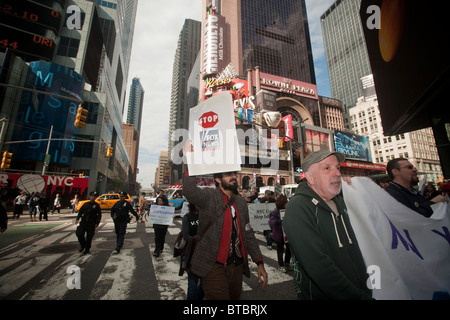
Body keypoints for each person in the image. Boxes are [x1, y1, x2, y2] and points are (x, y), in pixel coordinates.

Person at [181, 140, 268, 300]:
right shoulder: (209, 197)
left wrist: (259, 262)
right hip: (214, 266)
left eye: (234, 173)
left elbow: (248, 234)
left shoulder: (241, 202)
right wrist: (189, 159)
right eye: (229, 174)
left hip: (237, 266)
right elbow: (190, 191)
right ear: (218, 180)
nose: (234, 177)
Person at [284, 150, 372, 300]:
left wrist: (357, 194)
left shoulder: (341, 202)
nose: (337, 173)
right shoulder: (298, 207)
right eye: (327, 168)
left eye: (337, 167)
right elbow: (320, 269)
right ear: (310, 177)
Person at [182, 203, 204, 300]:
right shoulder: (187, 217)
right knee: (192, 280)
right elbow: (186, 235)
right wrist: (197, 241)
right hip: (191, 251)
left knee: (205, 281)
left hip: (205, 252)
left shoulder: (206, 216)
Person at [269, 194, 291, 273]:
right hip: (279, 234)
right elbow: (271, 222)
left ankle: (287, 263)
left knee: (289, 249)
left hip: (287, 233)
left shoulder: (288, 210)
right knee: (280, 250)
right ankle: (281, 265)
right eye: (286, 202)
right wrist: (279, 221)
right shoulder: (275, 212)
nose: (287, 204)